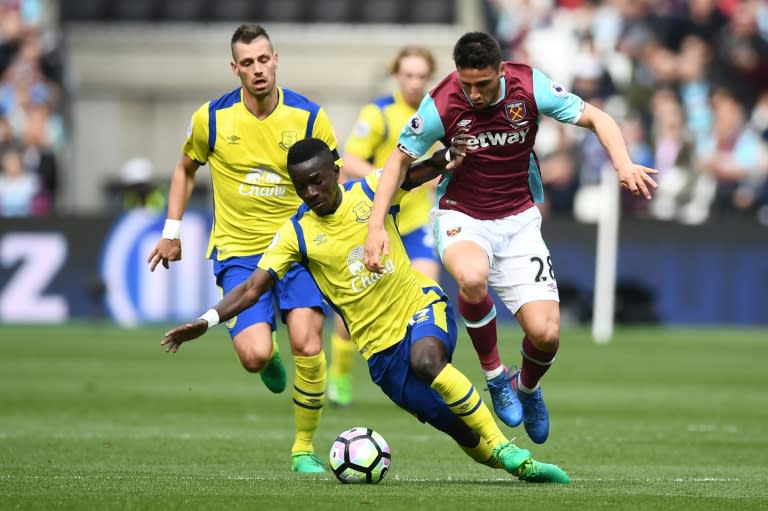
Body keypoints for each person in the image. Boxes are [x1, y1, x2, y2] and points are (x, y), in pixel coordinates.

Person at [161, 137, 570, 484]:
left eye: (317, 181)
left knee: (427, 360)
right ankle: (517, 468)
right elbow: (253, 286)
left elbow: (413, 173)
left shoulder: (369, 192)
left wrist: (448, 157)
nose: (310, 193)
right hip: (380, 354)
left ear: (336, 171)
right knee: (459, 428)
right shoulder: (297, 234)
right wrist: (206, 320)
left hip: (420, 307)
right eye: (301, 186)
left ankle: (505, 443)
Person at [363, 31, 658, 445]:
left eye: (482, 84)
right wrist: (376, 224)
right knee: (471, 275)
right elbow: (398, 160)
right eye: (467, 84)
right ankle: (495, 376)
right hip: (461, 216)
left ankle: (528, 387)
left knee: (547, 334)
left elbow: (599, 117)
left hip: (519, 221)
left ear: (501, 72)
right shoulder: (443, 101)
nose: (474, 94)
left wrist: (623, 163)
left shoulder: (530, 86)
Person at [146, 25, 341, 473]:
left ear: (277, 59)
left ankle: (303, 449)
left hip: (299, 251)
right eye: (247, 63)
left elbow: (334, 181)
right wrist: (171, 231)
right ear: (235, 68)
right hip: (239, 251)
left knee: (307, 344)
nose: (257, 70)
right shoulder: (211, 118)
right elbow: (183, 169)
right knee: (254, 356)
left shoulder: (310, 117)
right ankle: (266, 356)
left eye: (263, 60)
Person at [328, 46, 440, 407]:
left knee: (426, 295)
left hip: (415, 222)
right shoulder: (378, 113)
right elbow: (349, 160)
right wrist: (392, 177)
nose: (414, 82)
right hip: (376, 222)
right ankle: (341, 374)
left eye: (422, 76)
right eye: (408, 75)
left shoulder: (436, 112)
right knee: (355, 306)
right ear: (397, 76)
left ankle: (423, 369)